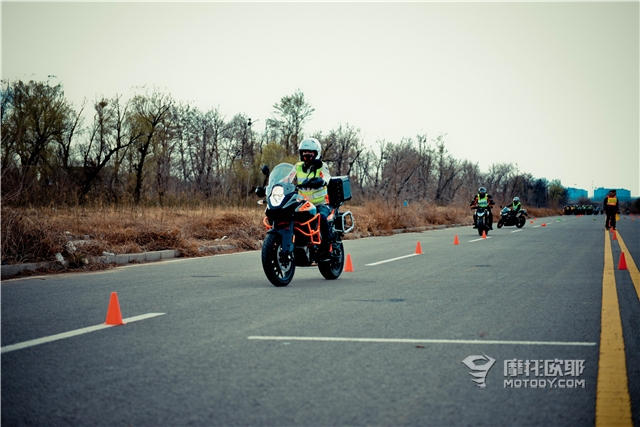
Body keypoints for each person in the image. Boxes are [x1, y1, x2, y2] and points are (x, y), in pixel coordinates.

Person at [292, 138, 333, 260]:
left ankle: (327, 246)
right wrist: (273, 186)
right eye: (304, 154)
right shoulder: (297, 167)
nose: (306, 157)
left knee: (322, 218)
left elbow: (327, 177)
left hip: (321, 203)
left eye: (310, 154)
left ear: (316, 154)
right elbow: (287, 178)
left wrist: (321, 181)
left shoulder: (322, 166)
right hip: (302, 204)